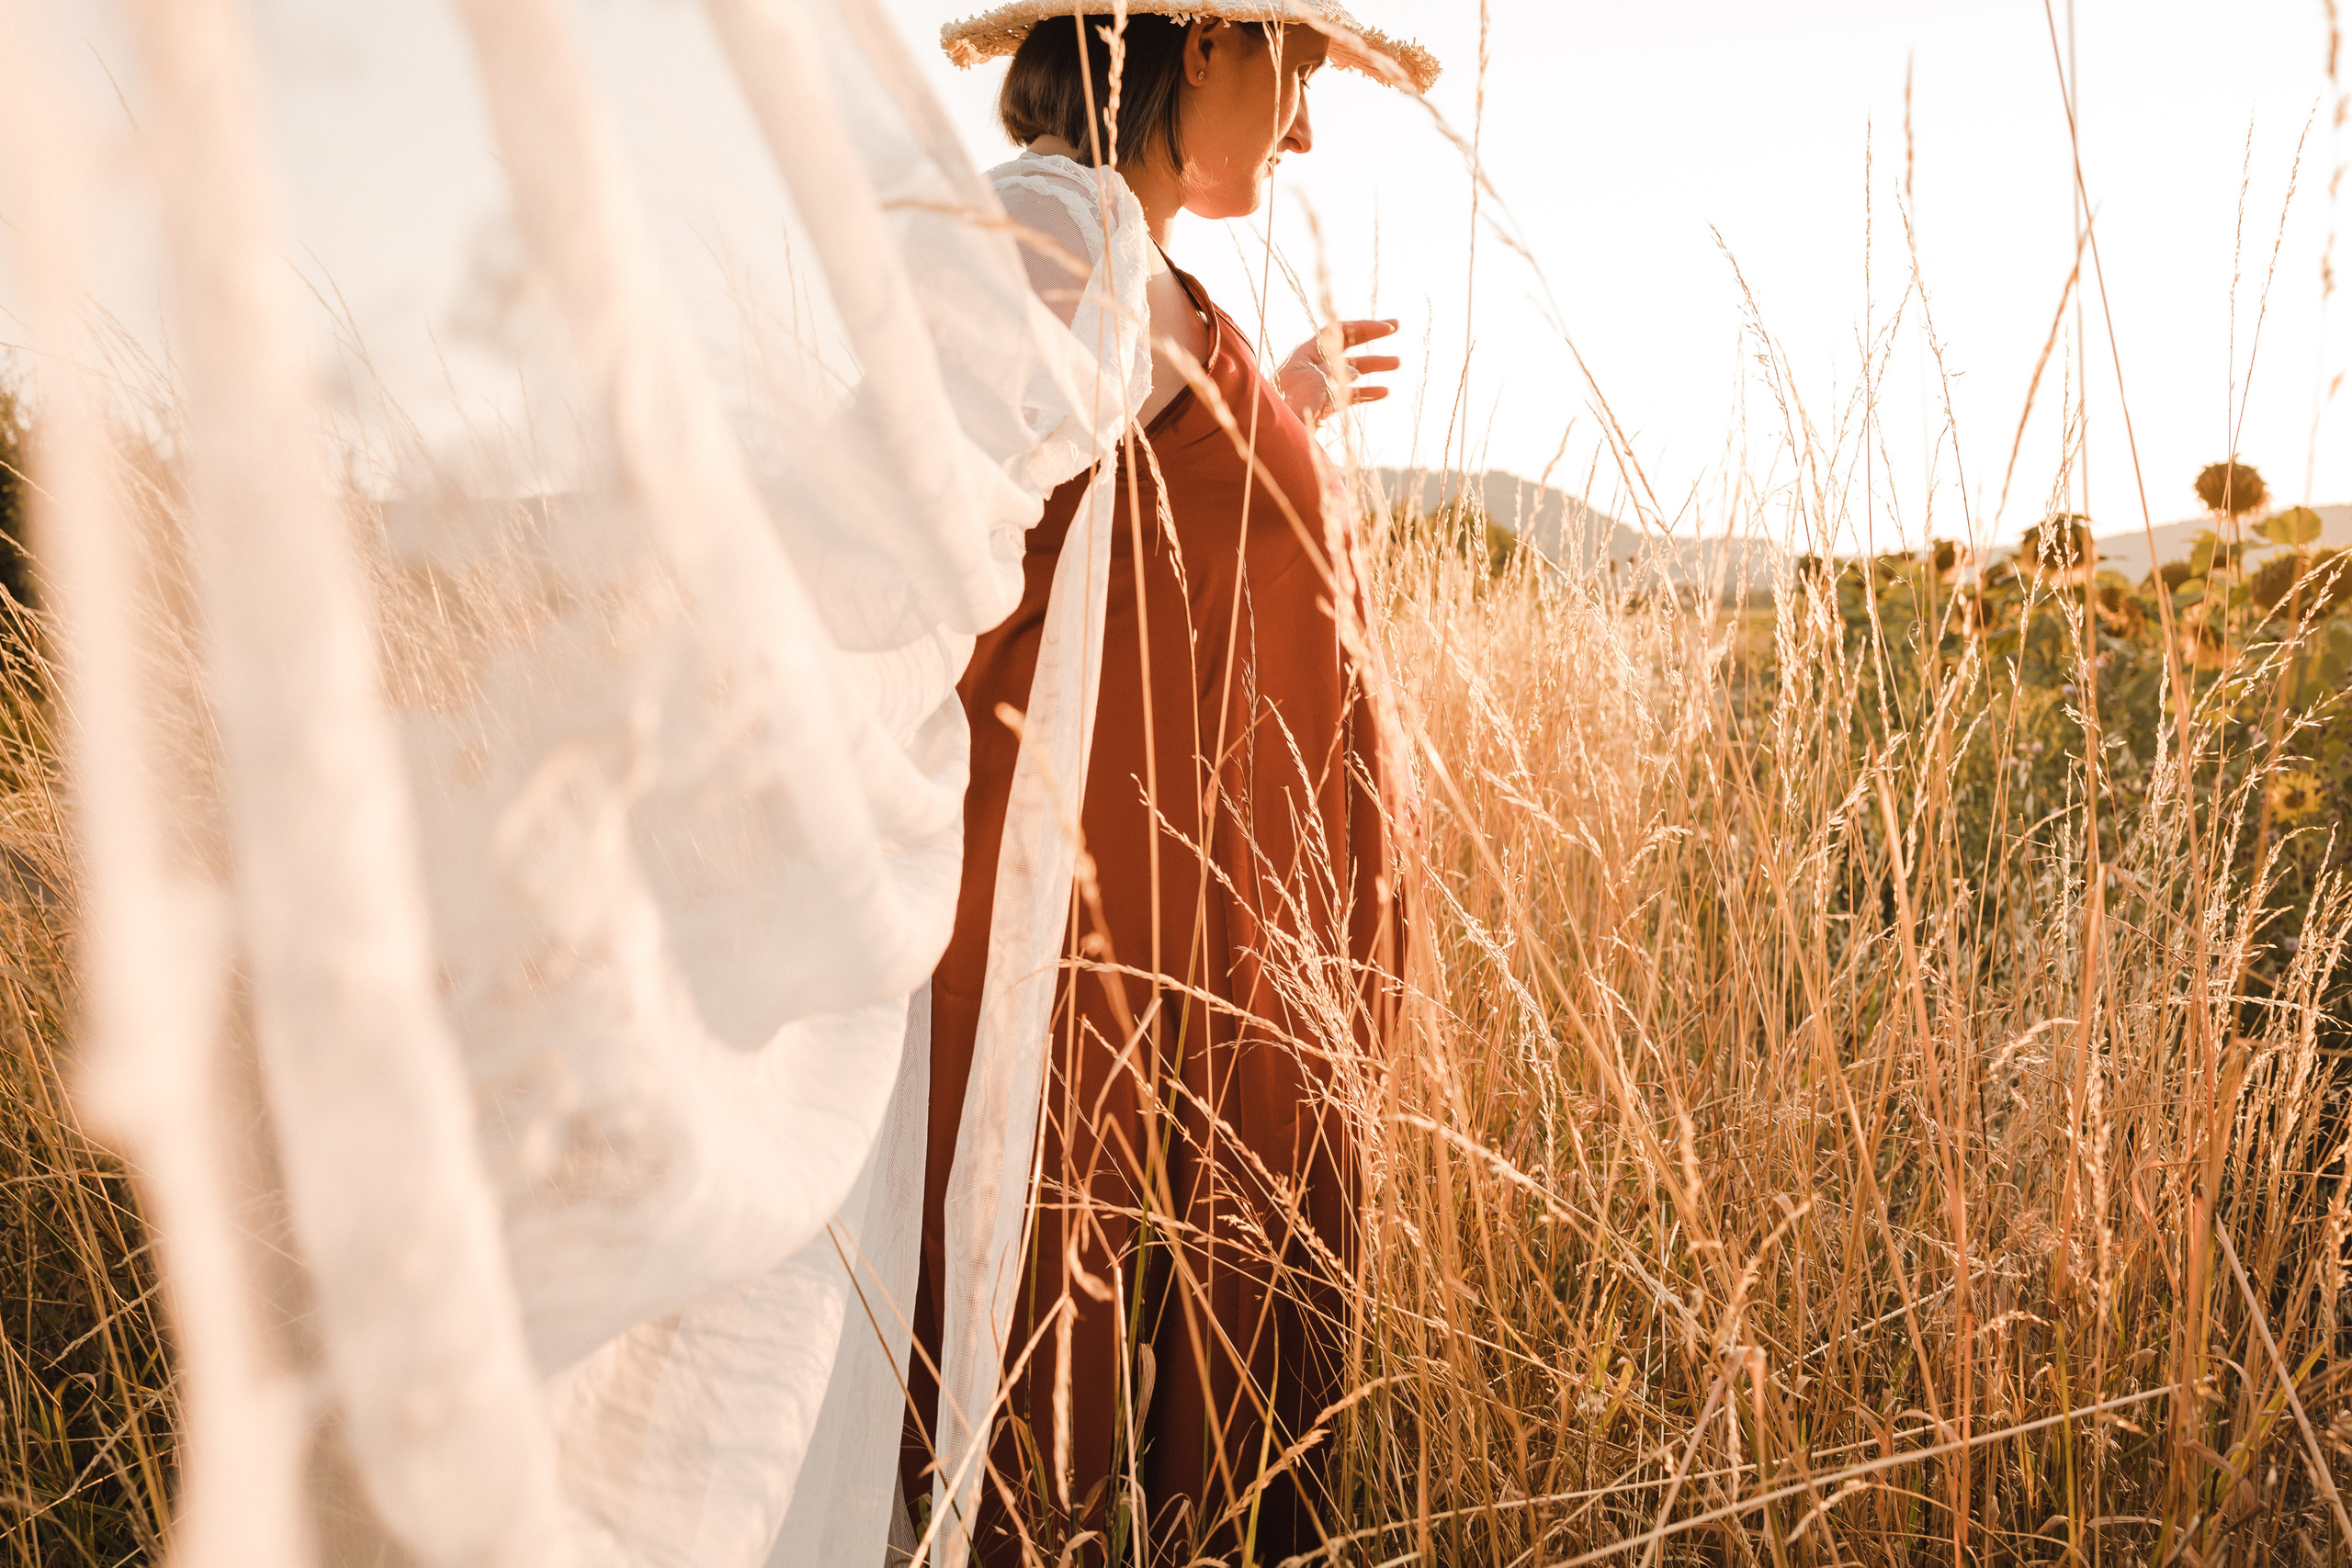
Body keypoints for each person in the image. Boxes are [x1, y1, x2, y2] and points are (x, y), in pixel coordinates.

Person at [909, 6, 1436, 1562]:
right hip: (1080, 945)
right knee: (1036, 1349)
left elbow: (1121, 517)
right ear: (1203, 40)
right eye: (1300, 73)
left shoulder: (1129, 265)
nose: (1306, 129)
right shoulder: (1055, 226)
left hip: (1177, 945)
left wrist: (1273, 408)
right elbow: (916, 540)